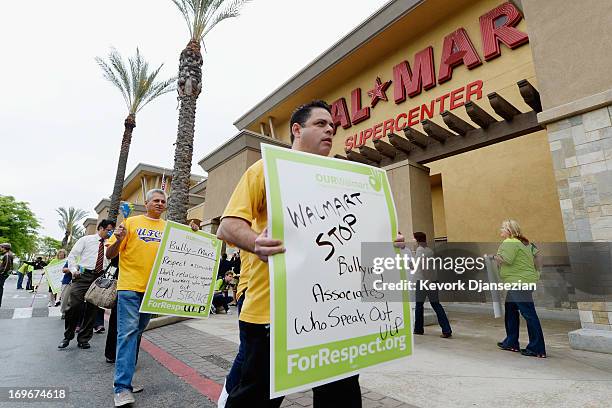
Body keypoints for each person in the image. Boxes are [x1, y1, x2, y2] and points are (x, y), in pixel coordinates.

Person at [216, 100, 406, 407]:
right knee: (255, 398)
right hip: (271, 313)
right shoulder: (265, 169)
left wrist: (384, 243)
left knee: (341, 398)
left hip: (337, 315)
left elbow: (353, 241)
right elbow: (227, 227)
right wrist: (255, 243)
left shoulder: (346, 180)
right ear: (297, 130)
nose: (330, 129)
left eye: (332, 126)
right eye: (320, 124)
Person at [106, 189, 167, 407]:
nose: (159, 204)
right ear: (147, 202)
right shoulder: (130, 223)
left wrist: (195, 231)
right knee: (128, 335)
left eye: (163, 201)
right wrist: (118, 240)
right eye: (155, 200)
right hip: (130, 288)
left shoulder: (169, 229)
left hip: (153, 292)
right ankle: (121, 388)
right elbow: (110, 254)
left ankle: (126, 382)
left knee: (137, 333)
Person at [58, 219, 115, 350]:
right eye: (108, 230)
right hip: (82, 276)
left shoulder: (110, 244)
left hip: (99, 278)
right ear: (101, 228)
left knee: (92, 309)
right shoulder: (86, 240)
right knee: (74, 306)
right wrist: (73, 270)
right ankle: (67, 336)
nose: (110, 233)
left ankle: (84, 339)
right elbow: (72, 256)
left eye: (112, 230)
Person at [494, 219, 546, 358]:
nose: (501, 230)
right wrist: (537, 272)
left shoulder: (510, 242)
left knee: (528, 313)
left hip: (519, 282)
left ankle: (537, 348)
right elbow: (538, 257)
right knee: (510, 309)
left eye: (503, 228)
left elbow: (506, 259)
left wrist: (493, 257)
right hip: (524, 281)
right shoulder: (526, 242)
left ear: (509, 231)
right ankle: (511, 342)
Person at [411, 232, 452, 338]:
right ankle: (446, 329)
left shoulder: (420, 250)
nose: (412, 241)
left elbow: (423, 267)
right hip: (433, 281)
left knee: (419, 305)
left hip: (423, 282)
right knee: (436, 304)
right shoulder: (429, 250)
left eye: (414, 239)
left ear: (417, 240)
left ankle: (418, 329)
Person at [0, 243, 15, 308]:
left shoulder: (7, 255)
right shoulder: (8, 254)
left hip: (2, 274)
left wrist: (2, 273)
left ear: (4, 248)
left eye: (1, 247)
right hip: (4, 274)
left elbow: (6, 266)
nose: (0, 248)